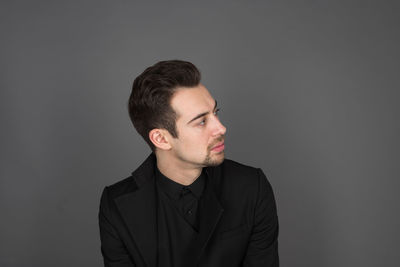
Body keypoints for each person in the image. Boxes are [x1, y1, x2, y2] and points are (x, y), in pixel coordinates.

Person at [98, 60, 279, 267]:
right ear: (161, 139)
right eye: (201, 121)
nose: (221, 128)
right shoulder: (117, 206)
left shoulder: (251, 188)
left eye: (215, 112)